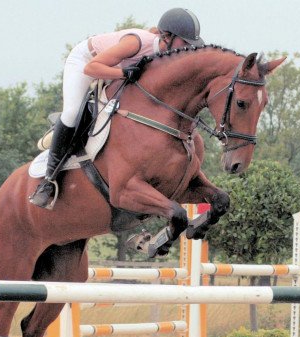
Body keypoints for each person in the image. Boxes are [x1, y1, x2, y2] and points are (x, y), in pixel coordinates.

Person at [29, 7, 205, 209]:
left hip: (113, 70)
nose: (188, 48)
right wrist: (123, 73)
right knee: (71, 112)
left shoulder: (165, 56)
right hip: (86, 62)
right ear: (168, 37)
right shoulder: (138, 42)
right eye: (186, 43)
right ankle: (49, 179)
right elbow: (91, 68)